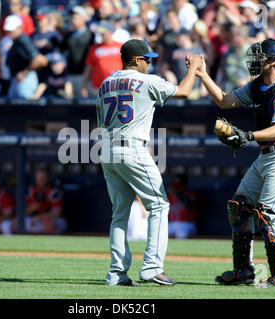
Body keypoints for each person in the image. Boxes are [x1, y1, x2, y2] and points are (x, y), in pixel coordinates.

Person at [191, 38, 275, 287]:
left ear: (274, 61)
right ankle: (244, 272)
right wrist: (202, 75)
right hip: (265, 155)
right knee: (239, 207)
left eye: (261, 56)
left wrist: (247, 136)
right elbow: (224, 100)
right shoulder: (256, 87)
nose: (255, 60)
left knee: (266, 214)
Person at [97, 38, 204, 286]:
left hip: (106, 150)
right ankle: (152, 268)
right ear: (135, 60)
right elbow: (185, 92)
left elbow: (102, 121)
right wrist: (192, 70)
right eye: (147, 59)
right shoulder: (147, 80)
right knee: (159, 206)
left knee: (119, 214)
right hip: (132, 148)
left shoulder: (105, 83)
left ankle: (116, 274)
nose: (149, 63)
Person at [4, 14, 48, 99]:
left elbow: (39, 59)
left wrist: (25, 73)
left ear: (19, 28)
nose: (9, 32)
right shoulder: (16, 40)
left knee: (25, 108)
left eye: (11, 30)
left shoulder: (23, 39)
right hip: (17, 80)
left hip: (25, 80)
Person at [81, 20, 122, 98]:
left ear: (111, 32)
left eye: (104, 33)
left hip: (117, 87)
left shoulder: (120, 46)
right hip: (98, 87)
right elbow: (89, 67)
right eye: (100, 33)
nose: (102, 35)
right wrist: (84, 86)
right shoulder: (94, 48)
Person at [61, 5, 94, 98]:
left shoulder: (91, 35)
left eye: (76, 17)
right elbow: (61, 51)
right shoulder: (68, 35)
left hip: (85, 76)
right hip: (71, 75)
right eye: (72, 17)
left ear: (83, 19)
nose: (73, 20)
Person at [21, 168, 66, 234]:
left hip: (56, 220)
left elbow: (56, 214)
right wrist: (30, 209)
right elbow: (23, 213)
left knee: (49, 224)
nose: (40, 180)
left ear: (48, 179)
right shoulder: (31, 190)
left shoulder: (54, 192)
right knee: (15, 223)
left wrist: (39, 217)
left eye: (43, 178)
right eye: (38, 178)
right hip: (35, 220)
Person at [167, 175, 198, 239]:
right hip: (171, 223)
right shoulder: (169, 196)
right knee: (160, 233)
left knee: (181, 234)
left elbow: (189, 205)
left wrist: (177, 194)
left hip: (187, 224)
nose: (175, 189)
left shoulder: (190, 193)